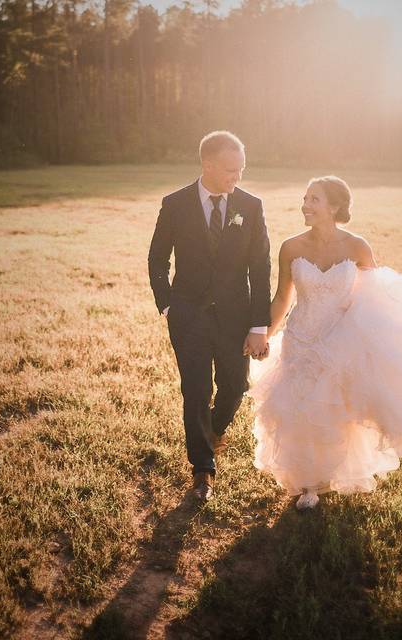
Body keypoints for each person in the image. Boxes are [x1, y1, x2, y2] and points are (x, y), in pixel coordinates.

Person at [249, 176, 402, 510]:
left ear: (334, 207)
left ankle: (330, 474)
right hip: (300, 337)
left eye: (314, 200)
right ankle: (308, 483)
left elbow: (377, 297)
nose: (305, 205)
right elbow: (281, 297)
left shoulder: (358, 247)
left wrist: (369, 338)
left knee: (335, 410)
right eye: (305, 198)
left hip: (340, 340)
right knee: (301, 409)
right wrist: (263, 333)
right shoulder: (291, 247)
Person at [148, 131, 272, 501]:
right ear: (207, 165)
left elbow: (260, 267)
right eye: (231, 170)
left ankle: (215, 430)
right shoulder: (175, 204)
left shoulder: (250, 206)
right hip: (189, 316)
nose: (237, 177)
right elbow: (157, 259)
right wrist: (168, 304)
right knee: (197, 391)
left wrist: (258, 324)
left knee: (236, 386)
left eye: (241, 169)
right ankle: (202, 470)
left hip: (236, 317)